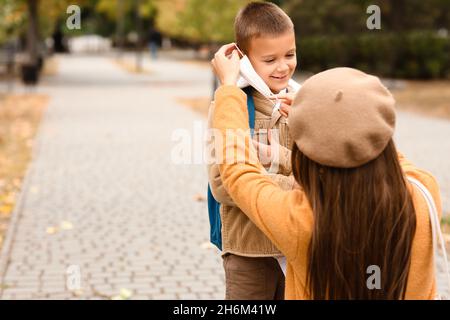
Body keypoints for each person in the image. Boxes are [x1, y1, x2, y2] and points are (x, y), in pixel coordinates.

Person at [210, 43, 443, 299]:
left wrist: (228, 89)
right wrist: (330, 114)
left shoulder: (302, 220)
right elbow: (376, 141)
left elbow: (238, 171)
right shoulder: (424, 192)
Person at [207, 2, 299, 300]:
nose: (283, 66)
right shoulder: (229, 108)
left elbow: (323, 172)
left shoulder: (302, 104)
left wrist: (277, 159)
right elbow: (223, 185)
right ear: (244, 61)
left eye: (290, 54)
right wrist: (298, 187)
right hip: (249, 252)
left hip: (298, 246)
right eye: (270, 59)